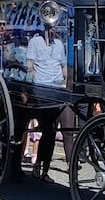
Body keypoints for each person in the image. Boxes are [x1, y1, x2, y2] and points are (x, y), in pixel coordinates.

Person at [24, 25, 74, 182]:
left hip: (59, 88)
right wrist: (35, 86)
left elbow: (63, 66)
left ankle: (72, 170)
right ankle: (40, 166)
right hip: (43, 89)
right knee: (49, 131)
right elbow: (30, 66)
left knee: (68, 131)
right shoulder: (35, 42)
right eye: (51, 28)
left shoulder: (59, 44)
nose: (54, 30)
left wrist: (66, 86)